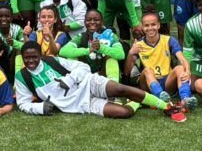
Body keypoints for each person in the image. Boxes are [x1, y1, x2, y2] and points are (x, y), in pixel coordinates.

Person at [16, 41, 177, 120]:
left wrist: (71, 79)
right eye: (27, 58)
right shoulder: (22, 77)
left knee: (119, 89)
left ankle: (166, 106)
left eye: (34, 57)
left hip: (87, 83)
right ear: (23, 58)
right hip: (79, 105)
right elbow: (22, 104)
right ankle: (136, 102)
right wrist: (40, 108)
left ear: (41, 56)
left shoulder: (52, 61)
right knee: (124, 113)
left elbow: (83, 67)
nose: (31, 61)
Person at [124, 7, 197, 111]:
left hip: (167, 81)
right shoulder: (138, 44)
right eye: (146, 25)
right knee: (148, 70)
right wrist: (131, 53)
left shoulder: (168, 40)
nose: (150, 28)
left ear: (158, 25)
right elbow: (127, 72)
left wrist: (188, 71)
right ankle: (160, 97)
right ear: (142, 27)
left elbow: (182, 58)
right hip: (148, 83)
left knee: (180, 68)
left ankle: (186, 99)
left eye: (153, 24)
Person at [59, 9, 125, 83]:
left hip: (105, 73)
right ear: (84, 22)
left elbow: (121, 54)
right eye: (88, 20)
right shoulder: (81, 36)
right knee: (71, 57)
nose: (92, 22)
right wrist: (88, 50)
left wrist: (101, 48)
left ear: (102, 22)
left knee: (112, 58)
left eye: (96, 20)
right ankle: (73, 83)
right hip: (87, 73)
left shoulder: (110, 35)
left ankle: (113, 85)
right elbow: (62, 51)